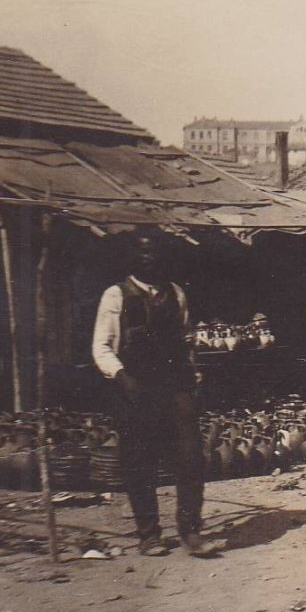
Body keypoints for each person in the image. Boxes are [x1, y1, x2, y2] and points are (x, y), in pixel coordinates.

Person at [91, 231, 215, 557]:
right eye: (144, 253)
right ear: (133, 257)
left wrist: (194, 375)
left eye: (156, 253)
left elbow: (186, 338)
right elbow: (101, 347)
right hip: (135, 388)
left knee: (191, 458)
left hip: (175, 386)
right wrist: (122, 377)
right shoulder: (116, 296)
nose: (151, 259)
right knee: (139, 462)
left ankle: (191, 531)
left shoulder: (176, 294)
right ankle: (149, 534)